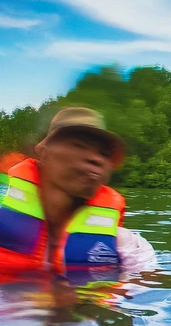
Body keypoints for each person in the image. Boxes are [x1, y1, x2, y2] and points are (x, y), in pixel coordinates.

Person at [0, 107, 156, 280]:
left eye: (103, 154)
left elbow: (154, 295)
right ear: (45, 154)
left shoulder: (129, 248)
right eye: (79, 146)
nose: (95, 159)